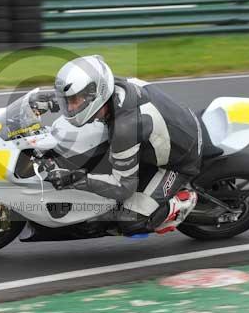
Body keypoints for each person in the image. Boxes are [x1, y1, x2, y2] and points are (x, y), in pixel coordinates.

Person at [42, 55, 203, 236]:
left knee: (129, 221)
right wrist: (43, 101)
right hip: (170, 129)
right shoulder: (110, 85)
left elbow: (124, 188)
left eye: (73, 101)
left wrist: (75, 179)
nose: (70, 108)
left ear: (93, 96)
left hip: (179, 161)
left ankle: (182, 202)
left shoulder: (124, 129)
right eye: (67, 100)